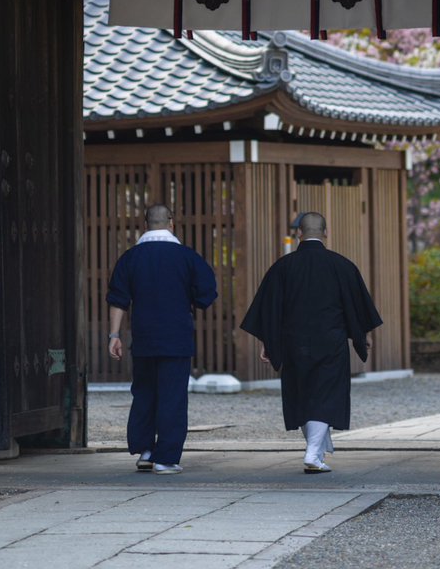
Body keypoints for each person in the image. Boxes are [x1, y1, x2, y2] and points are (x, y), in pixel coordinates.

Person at [240, 210, 382, 474]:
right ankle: (313, 453)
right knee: (325, 395)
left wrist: (268, 342)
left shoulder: (283, 267)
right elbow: (356, 305)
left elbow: (269, 310)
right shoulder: (342, 265)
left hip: (294, 343)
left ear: (299, 234)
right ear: (326, 233)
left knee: (302, 394)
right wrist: (363, 335)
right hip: (331, 341)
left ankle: (314, 451)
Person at [106, 203, 217, 475]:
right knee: (172, 396)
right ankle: (166, 458)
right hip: (176, 337)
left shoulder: (131, 258)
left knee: (144, 392)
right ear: (171, 223)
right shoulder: (187, 257)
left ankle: (145, 451)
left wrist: (114, 335)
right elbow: (206, 295)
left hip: (143, 337)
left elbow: (118, 299)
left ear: (146, 224)